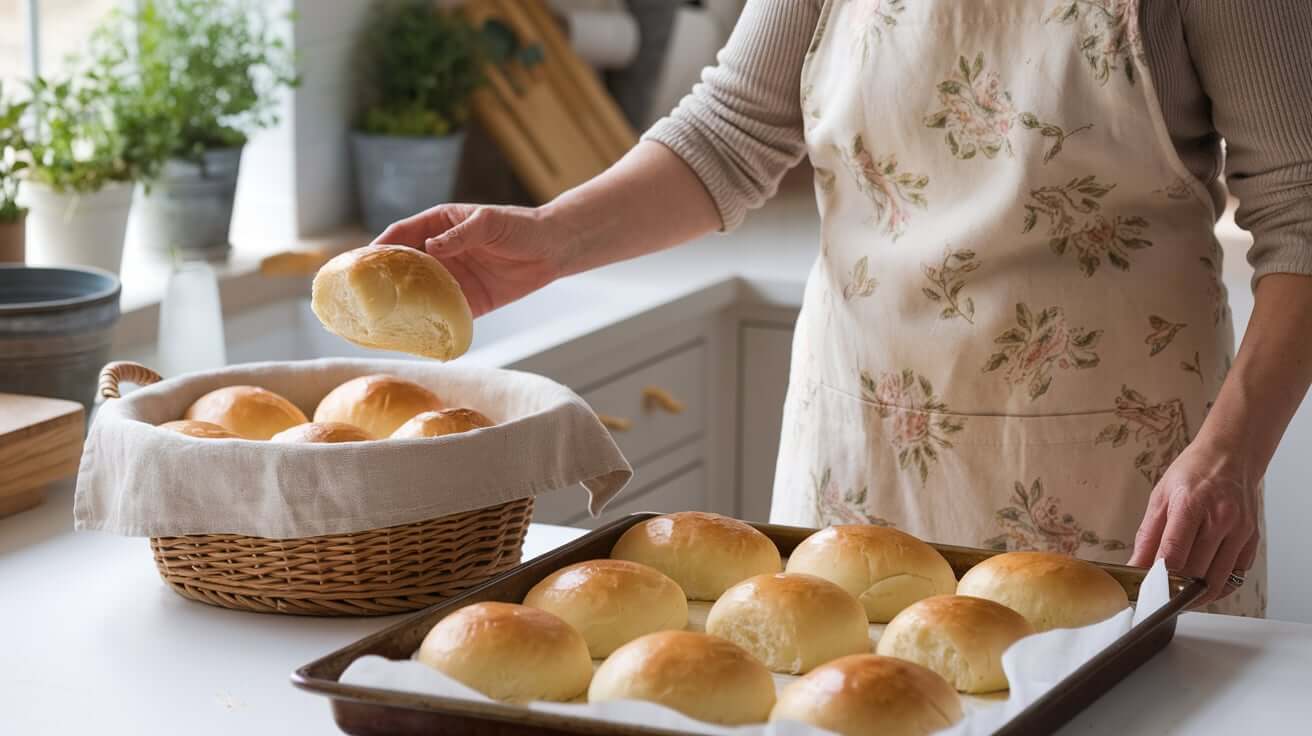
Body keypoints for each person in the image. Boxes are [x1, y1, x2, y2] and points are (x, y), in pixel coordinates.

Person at [377, 1, 1312, 616]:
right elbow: (732, 131)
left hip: (1120, 481)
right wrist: (547, 239)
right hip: (860, 462)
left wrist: (1228, 455)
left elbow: (1303, 214)